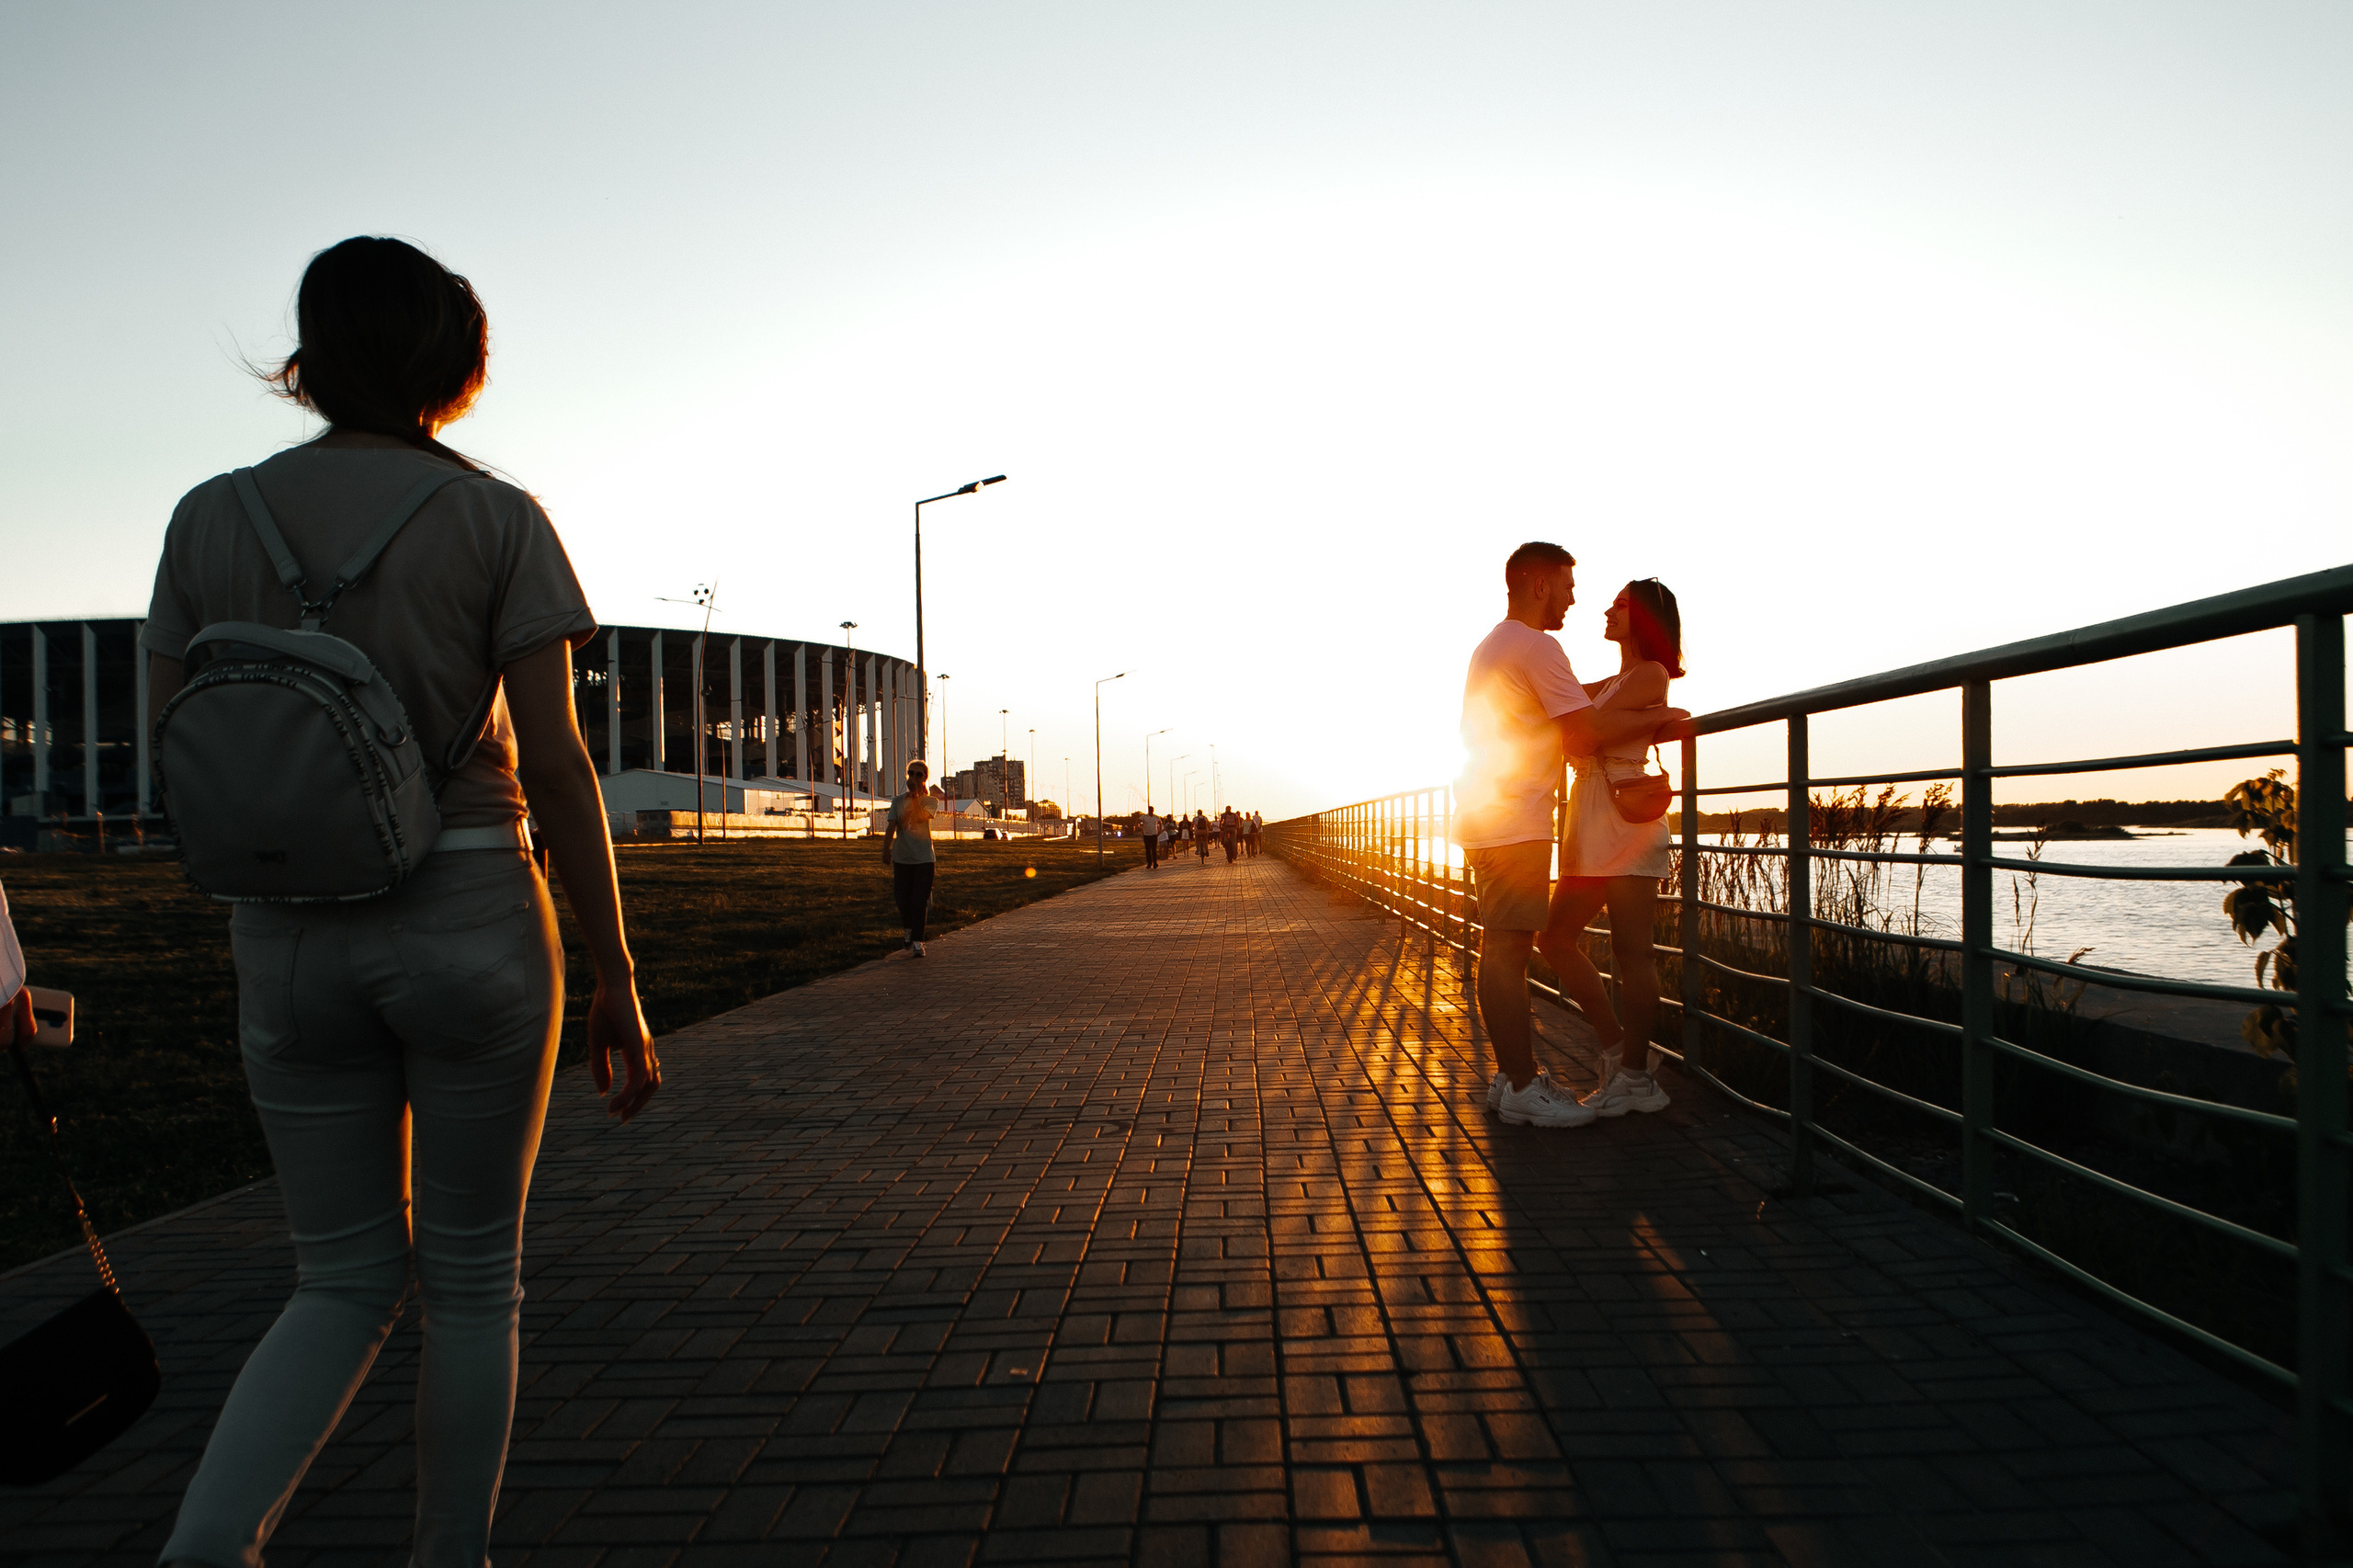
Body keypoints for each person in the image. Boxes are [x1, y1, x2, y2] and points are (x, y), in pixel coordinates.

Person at [144, 236, 661, 1568]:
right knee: (474, 1279)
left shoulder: (210, 517)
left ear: (310, 357)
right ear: (454, 365)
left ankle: (208, 1542)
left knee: (340, 1276)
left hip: (291, 940)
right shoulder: (495, 520)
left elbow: (179, 744)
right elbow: (552, 761)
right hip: (475, 911)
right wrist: (615, 971)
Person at [1454, 541, 1686, 1129]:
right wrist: (1660, 720)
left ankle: (1619, 1070)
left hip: (1595, 820)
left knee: (1558, 946)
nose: (1580, 601)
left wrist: (1644, 709)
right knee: (1519, 943)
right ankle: (1533, 1079)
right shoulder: (1536, 646)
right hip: (1530, 817)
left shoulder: (1510, 646)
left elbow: (1591, 708)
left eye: (1616, 604)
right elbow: (1584, 728)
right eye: (1567, 586)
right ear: (1539, 586)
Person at [1555, 581, 1687, 1116]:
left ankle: (1635, 1078)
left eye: (1622, 605)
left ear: (1647, 618)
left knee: (1633, 955)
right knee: (1556, 938)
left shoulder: (1651, 673)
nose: (1608, 610)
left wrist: (1606, 725)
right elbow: (1564, 721)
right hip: (1588, 821)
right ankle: (1618, 1047)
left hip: (1626, 823)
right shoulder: (1613, 680)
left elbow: (1582, 738)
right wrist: (1656, 720)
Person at [883, 760, 938, 953]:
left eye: (918, 775)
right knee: (902, 899)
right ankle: (908, 929)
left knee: (918, 900)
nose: (914, 777)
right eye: (911, 773)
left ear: (925, 779)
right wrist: (885, 849)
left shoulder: (931, 801)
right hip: (902, 858)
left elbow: (921, 817)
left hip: (924, 859)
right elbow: (891, 826)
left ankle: (917, 942)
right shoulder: (897, 801)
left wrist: (915, 796)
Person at [1138, 805, 1162, 869]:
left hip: (1154, 834)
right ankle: (1149, 863)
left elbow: (1160, 823)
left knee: (1154, 849)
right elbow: (1138, 821)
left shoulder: (1156, 817)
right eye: (1149, 810)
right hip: (1146, 835)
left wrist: (1159, 831)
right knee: (1148, 850)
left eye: (1151, 810)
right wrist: (1139, 827)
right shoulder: (1144, 817)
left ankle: (1155, 863)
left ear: (1153, 811)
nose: (1150, 811)